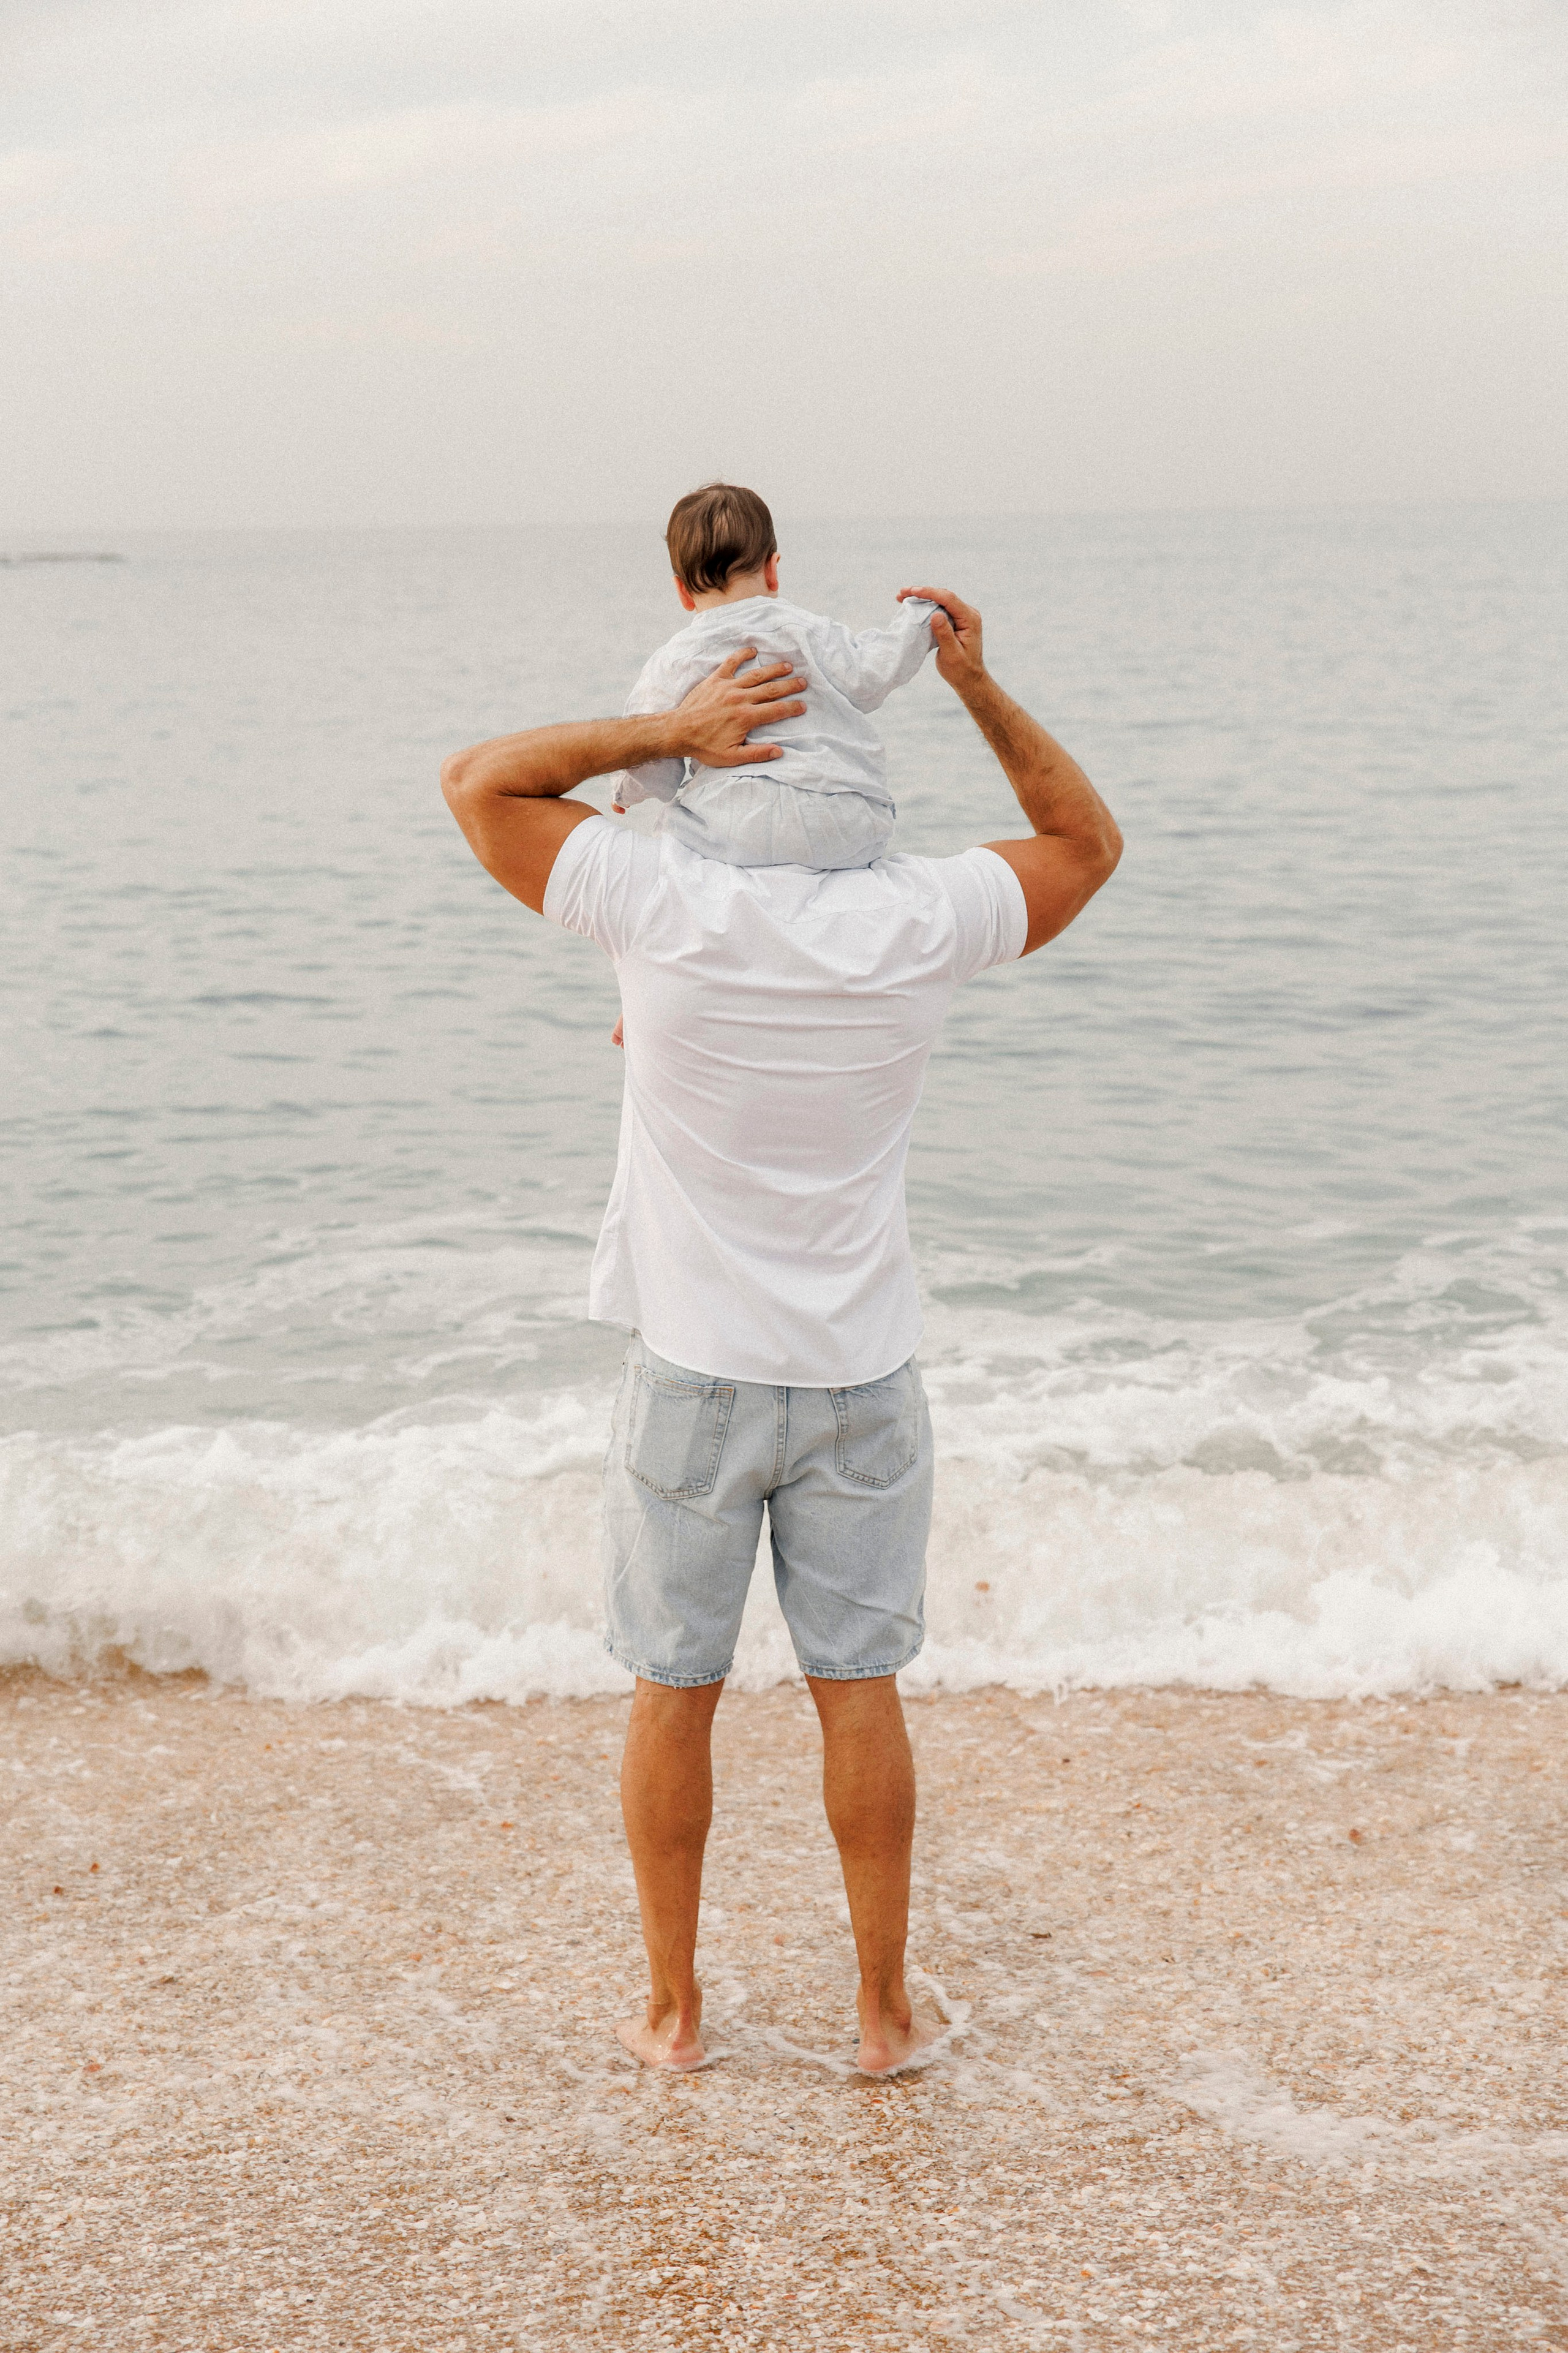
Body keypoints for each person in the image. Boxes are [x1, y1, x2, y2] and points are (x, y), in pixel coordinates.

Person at [440, 562, 1121, 2077]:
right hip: (861, 1371)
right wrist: (970, 685)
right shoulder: (916, 913)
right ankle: (879, 2013)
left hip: (694, 1371)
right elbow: (1085, 840)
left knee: (670, 1689)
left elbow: (478, 781)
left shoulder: (656, 892)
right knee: (856, 1692)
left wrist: (659, 729)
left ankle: (676, 2011)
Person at [610, 481, 937, 872]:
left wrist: (626, 792)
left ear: (682, 592)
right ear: (771, 570)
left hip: (734, 821)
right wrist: (919, 618)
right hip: (846, 816)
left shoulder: (674, 660)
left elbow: (653, 752)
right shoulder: (808, 631)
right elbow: (873, 673)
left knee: (671, 833)